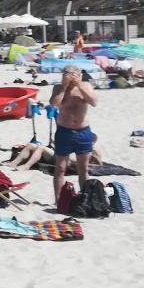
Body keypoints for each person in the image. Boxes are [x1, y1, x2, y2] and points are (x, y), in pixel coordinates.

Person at [50, 66, 98, 201]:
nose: (71, 77)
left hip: (83, 132)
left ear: (79, 75)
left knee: (83, 169)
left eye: (74, 75)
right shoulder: (58, 88)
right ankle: (58, 200)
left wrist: (79, 85)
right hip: (64, 132)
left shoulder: (86, 86)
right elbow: (54, 104)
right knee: (60, 168)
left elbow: (94, 102)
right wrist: (65, 87)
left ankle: (84, 198)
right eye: (67, 74)